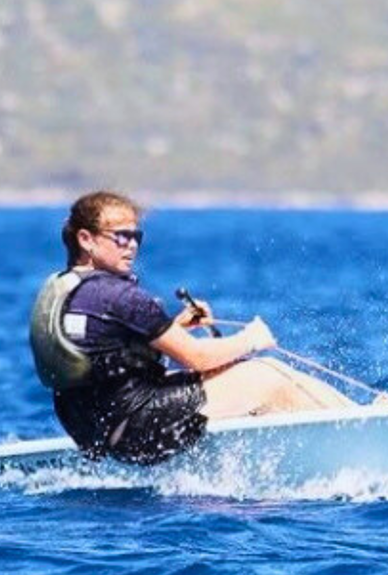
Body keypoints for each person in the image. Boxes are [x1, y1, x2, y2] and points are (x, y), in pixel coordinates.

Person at [35, 190, 355, 464]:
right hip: (136, 428)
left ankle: (337, 423)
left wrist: (177, 327)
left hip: (96, 430)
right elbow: (198, 358)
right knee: (267, 374)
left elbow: (110, 357)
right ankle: (358, 429)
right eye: (121, 236)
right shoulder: (120, 296)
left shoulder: (69, 289)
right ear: (85, 239)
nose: (131, 246)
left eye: (136, 237)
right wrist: (251, 338)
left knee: (228, 378)